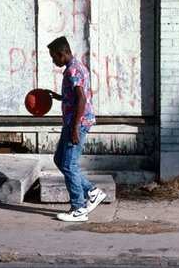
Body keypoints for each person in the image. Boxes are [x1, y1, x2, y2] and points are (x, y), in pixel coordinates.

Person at [46, 36, 106, 222]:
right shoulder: (77, 67)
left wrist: (74, 128)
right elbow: (75, 96)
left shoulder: (72, 70)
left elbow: (81, 99)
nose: (53, 60)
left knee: (69, 164)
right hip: (73, 122)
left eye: (53, 56)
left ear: (62, 53)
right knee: (59, 159)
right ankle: (93, 192)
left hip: (76, 124)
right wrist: (58, 96)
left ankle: (79, 208)